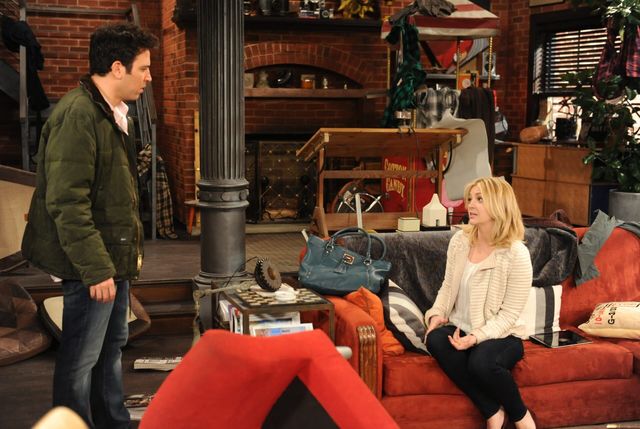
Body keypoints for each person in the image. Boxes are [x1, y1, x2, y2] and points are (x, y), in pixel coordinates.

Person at [21, 23, 158, 428]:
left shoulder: (111, 113)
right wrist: (96, 269)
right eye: (144, 68)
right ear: (117, 67)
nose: (149, 77)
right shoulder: (78, 115)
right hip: (90, 263)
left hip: (111, 256)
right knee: (81, 356)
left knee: (111, 347)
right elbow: (67, 202)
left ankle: (113, 422)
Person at [424, 177, 536, 429]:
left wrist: (475, 338)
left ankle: (522, 417)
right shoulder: (459, 241)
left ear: (499, 204)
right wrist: (437, 313)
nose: (470, 205)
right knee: (435, 339)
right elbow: (448, 286)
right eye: (470, 198)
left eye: (480, 199)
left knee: (480, 363)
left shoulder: (516, 253)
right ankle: (493, 411)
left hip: (502, 334)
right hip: (461, 327)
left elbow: (508, 316)